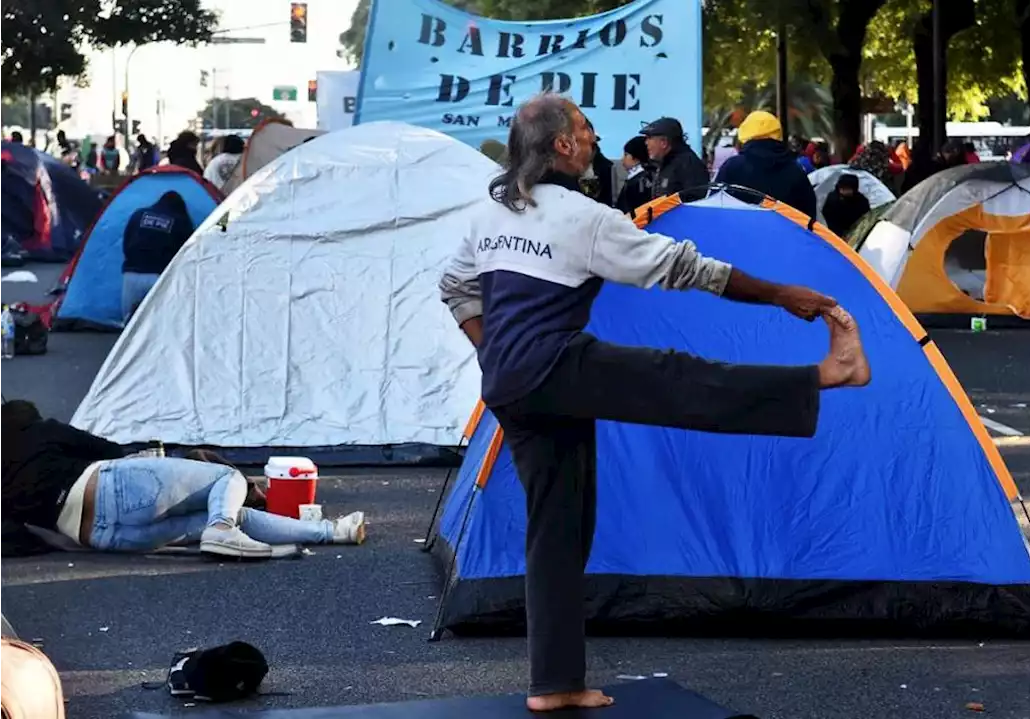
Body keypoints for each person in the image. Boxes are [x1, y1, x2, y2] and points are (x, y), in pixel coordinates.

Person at [437, 92, 870, 712]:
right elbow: (685, 267)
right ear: (562, 145)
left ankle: (553, 685)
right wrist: (781, 294)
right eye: (585, 129)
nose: (593, 139)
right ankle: (826, 374)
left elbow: (454, 288)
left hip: (510, 382)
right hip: (554, 366)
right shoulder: (579, 216)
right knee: (681, 379)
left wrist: (495, 354)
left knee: (559, 527)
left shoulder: (493, 211)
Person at [0, 399, 366, 558]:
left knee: (227, 511)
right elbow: (107, 450)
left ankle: (333, 532)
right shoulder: (41, 430)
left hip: (98, 536)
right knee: (226, 479)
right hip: (104, 486)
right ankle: (222, 528)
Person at [714, 110, 817, 217]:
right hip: (783, 232)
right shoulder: (795, 170)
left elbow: (715, 205)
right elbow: (808, 215)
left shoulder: (732, 167)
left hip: (739, 231)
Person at [120, 191, 195, 320]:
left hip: (131, 275)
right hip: (159, 277)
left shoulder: (138, 215)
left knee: (130, 324)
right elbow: (186, 251)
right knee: (158, 322)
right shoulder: (180, 220)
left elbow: (126, 242)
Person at [641, 117, 708, 199]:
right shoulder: (667, 162)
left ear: (664, 142)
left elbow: (695, 201)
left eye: (649, 138)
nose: (646, 143)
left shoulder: (688, 164)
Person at [821, 173, 871, 238]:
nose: (842, 190)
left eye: (846, 188)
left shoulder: (862, 201)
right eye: (841, 188)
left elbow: (865, 218)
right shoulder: (833, 199)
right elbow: (827, 217)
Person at [615, 135, 654, 216]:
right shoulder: (649, 177)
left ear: (636, 157)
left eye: (626, 155)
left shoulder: (637, 181)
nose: (622, 159)